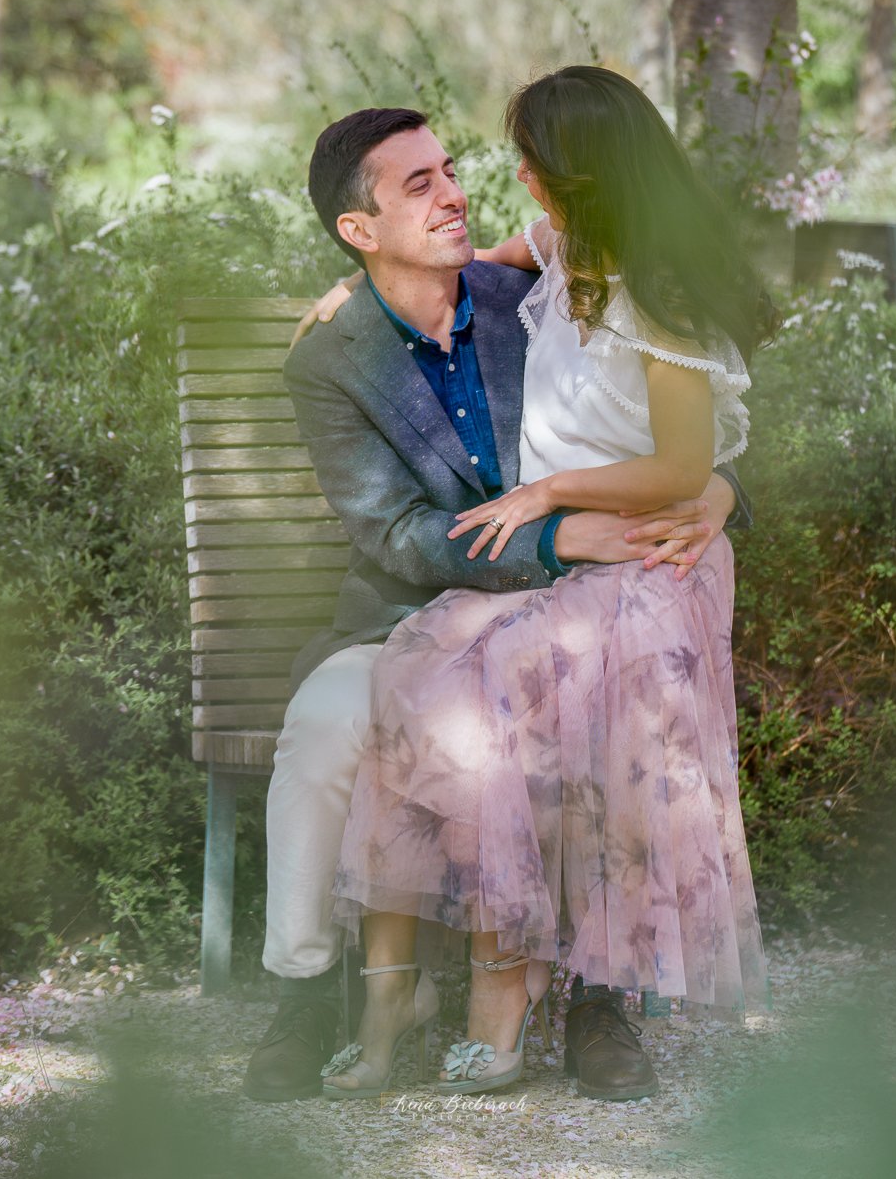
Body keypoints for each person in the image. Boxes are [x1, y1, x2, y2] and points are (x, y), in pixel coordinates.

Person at [240, 104, 748, 1104]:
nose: (454, 193)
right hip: (407, 610)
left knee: (599, 708)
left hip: (567, 614)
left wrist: (722, 493)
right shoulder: (328, 360)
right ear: (358, 229)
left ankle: (598, 1002)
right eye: (417, 184)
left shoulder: (535, 286)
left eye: (450, 170)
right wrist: (554, 537)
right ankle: (305, 991)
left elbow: (682, 414)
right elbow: (394, 533)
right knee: (321, 731)